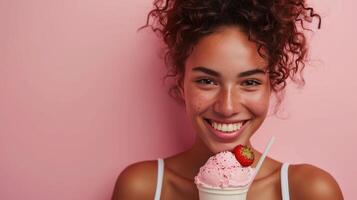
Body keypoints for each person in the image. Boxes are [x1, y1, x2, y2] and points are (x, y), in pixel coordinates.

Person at [112, 0, 343, 199]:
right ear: (182, 83)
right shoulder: (142, 189)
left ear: (270, 85)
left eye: (250, 82)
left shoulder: (309, 192)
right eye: (207, 81)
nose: (227, 107)